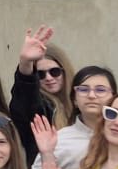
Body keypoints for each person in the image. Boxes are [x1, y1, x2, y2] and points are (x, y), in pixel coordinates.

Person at [8, 26, 74, 155]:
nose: (49, 78)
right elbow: (25, 98)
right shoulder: (38, 107)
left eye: (54, 72)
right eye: (40, 74)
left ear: (64, 71)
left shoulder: (78, 103)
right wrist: (25, 63)